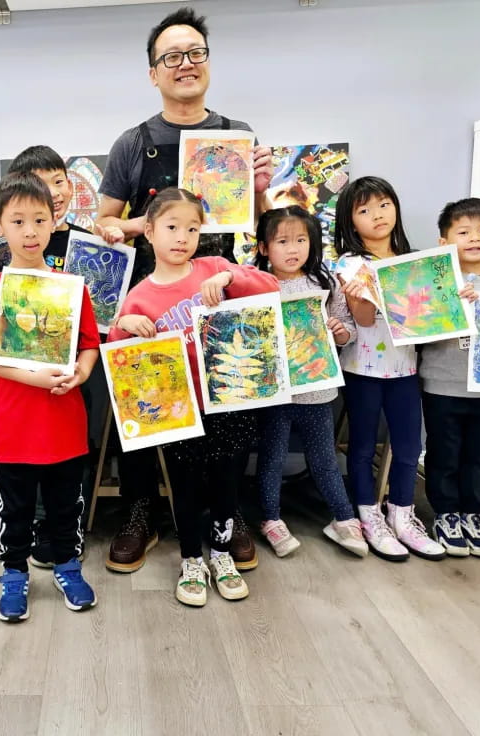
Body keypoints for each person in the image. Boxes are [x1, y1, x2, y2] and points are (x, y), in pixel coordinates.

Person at [96, 6, 273, 572]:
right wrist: (138, 226)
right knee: (147, 405)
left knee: (231, 405)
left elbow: (259, 224)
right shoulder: (133, 142)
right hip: (155, 298)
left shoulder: (236, 136)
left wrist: (262, 189)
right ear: (154, 73)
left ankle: (228, 515)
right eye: (171, 56)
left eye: (195, 53)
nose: (184, 64)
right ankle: (140, 511)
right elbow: (105, 224)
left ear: (208, 63)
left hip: (224, 298)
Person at [108, 187, 278, 605]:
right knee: (182, 486)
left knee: (226, 483)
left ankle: (220, 554)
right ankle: (190, 559)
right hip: (180, 412)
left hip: (230, 399)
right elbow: (119, 356)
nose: (182, 237)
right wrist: (126, 324)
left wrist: (232, 276)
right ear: (148, 232)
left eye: (192, 228)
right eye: (171, 227)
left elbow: (272, 288)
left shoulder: (214, 268)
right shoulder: (141, 296)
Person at [0, 172, 99, 622]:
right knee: (18, 508)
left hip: (66, 421)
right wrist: (36, 377)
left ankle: (68, 566)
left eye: (39, 220)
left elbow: (87, 345)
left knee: (67, 504)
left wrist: (80, 373)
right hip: (14, 426)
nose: (29, 231)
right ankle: (14, 574)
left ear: (54, 221)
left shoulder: (71, 287)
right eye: (18, 220)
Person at [335, 177, 447, 561]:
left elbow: (433, 319)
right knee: (363, 446)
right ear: (350, 222)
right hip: (363, 370)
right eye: (363, 210)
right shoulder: (351, 264)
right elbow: (363, 321)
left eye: (383, 205)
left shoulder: (414, 261)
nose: (376, 215)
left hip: (405, 370)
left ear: (395, 207)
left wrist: (452, 296)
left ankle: (403, 515)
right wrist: (358, 297)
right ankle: (369, 516)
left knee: (408, 447)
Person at [253, 206, 367, 558]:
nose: (293, 249)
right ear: (263, 248)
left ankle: (343, 518)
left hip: (317, 389)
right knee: (271, 457)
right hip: (273, 392)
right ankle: (270, 518)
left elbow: (347, 331)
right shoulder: (256, 284)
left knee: (324, 457)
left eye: (301, 240)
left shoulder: (325, 282)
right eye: (282, 241)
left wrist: (339, 332)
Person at [420, 197, 480, 557]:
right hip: (442, 384)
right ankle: (445, 515)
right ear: (445, 242)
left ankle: (472, 514)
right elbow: (420, 330)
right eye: (463, 231)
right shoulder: (436, 280)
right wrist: (451, 305)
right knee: (444, 452)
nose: (474, 237)